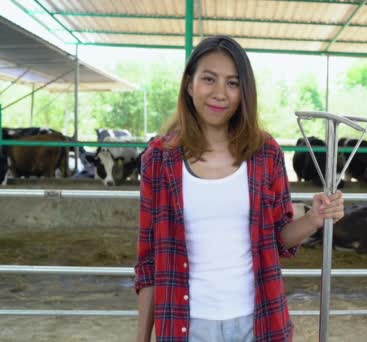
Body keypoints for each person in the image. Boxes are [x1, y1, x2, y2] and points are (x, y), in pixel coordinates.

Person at [135, 35, 344, 342]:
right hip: (187, 324)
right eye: (209, 79)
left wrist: (314, 218)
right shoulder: (159, 159)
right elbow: (149, 261)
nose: (220, 93)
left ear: (244, 92)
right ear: (189, 85)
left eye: (233, 83)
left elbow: (279, 238)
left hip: (258, 321)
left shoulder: (265, 153)